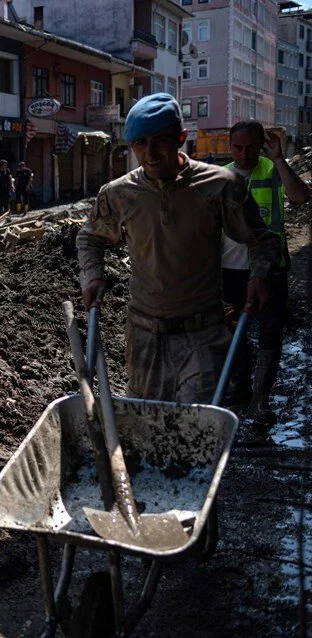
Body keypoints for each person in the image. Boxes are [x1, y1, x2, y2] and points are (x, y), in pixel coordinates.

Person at [76, 93, 279, 404]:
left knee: (196, 431)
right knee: (149, 425)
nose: (150, 153)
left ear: (181, 138)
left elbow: (262, 238)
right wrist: (93, 276)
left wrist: (259, 276)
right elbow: (90, 238)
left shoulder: (220, 186)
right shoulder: (119, 195)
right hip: (144, 333)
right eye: (140, 144)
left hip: (203, 334)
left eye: (160, 141)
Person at [221, 121, 309, 421]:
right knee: (233, 331)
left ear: (262, 145)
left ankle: (260, 400)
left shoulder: (272, 171)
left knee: (271, 332)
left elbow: (299, 197)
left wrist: (279, 159)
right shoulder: (219, 178)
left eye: (251, 147)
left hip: (271, 270)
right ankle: (240, 389)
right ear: (229, 146)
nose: (244, 154)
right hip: (230, 270)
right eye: (238, 148)